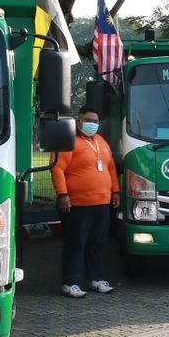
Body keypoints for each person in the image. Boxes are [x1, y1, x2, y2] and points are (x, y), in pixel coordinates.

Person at [51, 106, 119, 298]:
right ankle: (70, 282)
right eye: (88, 120)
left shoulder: (102, 142)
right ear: (78, 120)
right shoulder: (68, 141)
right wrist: (62, 194)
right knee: (76, 244)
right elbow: (57, 169)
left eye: (95, 121)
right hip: (77, 205)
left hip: (102, 204)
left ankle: (95, 279)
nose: (92, 124)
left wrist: (116, 191)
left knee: (97, 243)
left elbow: (111, 168)